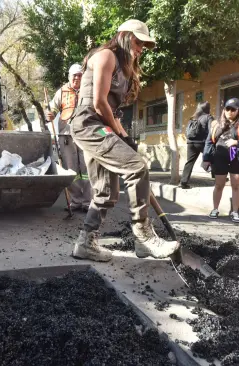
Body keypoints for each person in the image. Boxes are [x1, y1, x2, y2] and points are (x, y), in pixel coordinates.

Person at [69, 19, 180, 262]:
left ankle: (85, 243)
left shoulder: (124, 69)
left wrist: (126, 137)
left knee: (106, 192)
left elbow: (112, 112)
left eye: (144, 44)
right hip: (89, 125)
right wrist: (118, 134)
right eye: (138, 41)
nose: (140, 48)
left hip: (102, 126)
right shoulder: (107, 56)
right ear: (123, 36)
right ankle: (143, 236)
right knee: (137, 167)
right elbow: (98, 103)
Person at [202, 98, 239, 223]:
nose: (230, 112)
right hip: (219, 156)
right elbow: (209, 142)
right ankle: (215, 209)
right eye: (227, 109)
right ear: (224, 110)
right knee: (219, 185)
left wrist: (237, 142)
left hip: (236, 156)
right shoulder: (216, 124)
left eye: (233, 109)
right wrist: (206, 159)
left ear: (238, 111)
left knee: (236, 185)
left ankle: (235, 212)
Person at [46, 64, 92, 212]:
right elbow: (51, 107)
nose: (77, 78)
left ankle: (88, 202)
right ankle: (75, 201)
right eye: (74, 75)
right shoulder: (62, 91)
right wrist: (50, 114)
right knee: (71, 170)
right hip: (66, 135)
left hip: (85, 134)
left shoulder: (89, 90)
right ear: (69, 76)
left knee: (87, 169)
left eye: (80, 75)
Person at [180, 102, 213, 189]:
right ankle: (217, 177)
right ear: (207, 109)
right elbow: (211, 131)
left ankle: (183, 182)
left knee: (189, 162)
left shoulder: (192, 118)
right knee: (214, 155)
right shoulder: (208, 117)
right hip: (201, 143)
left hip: (190, 143)